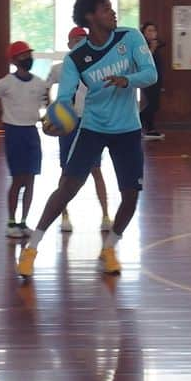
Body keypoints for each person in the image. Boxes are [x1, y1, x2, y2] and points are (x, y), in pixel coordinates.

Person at [17, 0, 158, 278]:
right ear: (90, 17)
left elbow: (150, 74)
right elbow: (65, 100)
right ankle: (32, 248)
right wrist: (56, 121)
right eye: (106, 8)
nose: (113, 12)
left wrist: (126, 79)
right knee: (67, 186)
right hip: (93, 127)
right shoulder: (76, 59)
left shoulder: (130, 37)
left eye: (111, 6)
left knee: (131, 195)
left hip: (128, 130)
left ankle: (109, 249)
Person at [46, 27, 111, 234]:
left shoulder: (96, 66)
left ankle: (106, 215)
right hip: (69, 124)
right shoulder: (60, 68)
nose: (80, 43)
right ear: (69, 44)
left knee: (96, 169)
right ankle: (64, 215)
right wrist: (51, 110)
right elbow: (44, 87)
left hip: (91, 122)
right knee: (67, 171)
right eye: (76, 40)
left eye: (83, 39)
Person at [0, 41, 48, 238]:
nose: (27, 58)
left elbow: (48, 107)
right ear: (13, 60)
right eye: (22, 56)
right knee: (18, 178)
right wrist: (3, 117)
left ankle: (23, 222)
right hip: (14, 133)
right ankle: (11, 222)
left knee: (30, 179)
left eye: (29, 54)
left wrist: (50, 122)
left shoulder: (39, 83)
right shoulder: (5, 83)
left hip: (31, 133)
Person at [139, 21, 165, 140]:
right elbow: (144, 61)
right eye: (149, 30)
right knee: (153, 105)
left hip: (157, 78)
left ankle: (150, 129)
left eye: (154, 30)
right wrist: (152, 49)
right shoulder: (142, 45)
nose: (152, 33)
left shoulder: (155, 43)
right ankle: (136, 123)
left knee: (154, 104)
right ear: (143, 33)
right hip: (148, 79)